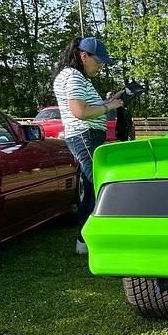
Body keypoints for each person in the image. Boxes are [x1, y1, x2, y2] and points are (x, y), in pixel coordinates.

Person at [52, 37, 123, 254]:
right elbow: (80, 112)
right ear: (84, 56)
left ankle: (84, 242)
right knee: (100, 186)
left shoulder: (76, 77)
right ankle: (95, 240)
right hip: (85, 136)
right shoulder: (73, 77)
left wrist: (109, 101)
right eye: (98, 61)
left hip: (87, 136)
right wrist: (109, 106)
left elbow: (86, 106)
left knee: (90, 188)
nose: (101, 66)